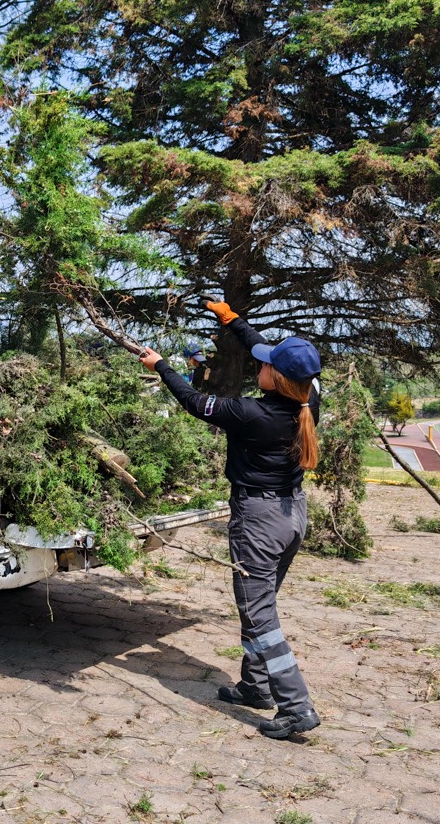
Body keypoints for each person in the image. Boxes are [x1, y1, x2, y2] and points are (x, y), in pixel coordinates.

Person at [136, 298, 322, 740]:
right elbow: (266, 348)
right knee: (259, 603)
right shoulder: (308, 397)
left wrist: (162, 365)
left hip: (259, 519)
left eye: (264, 366)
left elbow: (194, 401)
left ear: (275, 379)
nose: (257, 366)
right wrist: (232, 319)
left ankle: (296, 707)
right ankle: (255, 686)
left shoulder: (252, 414)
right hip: (291, 513)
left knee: (259, 614)